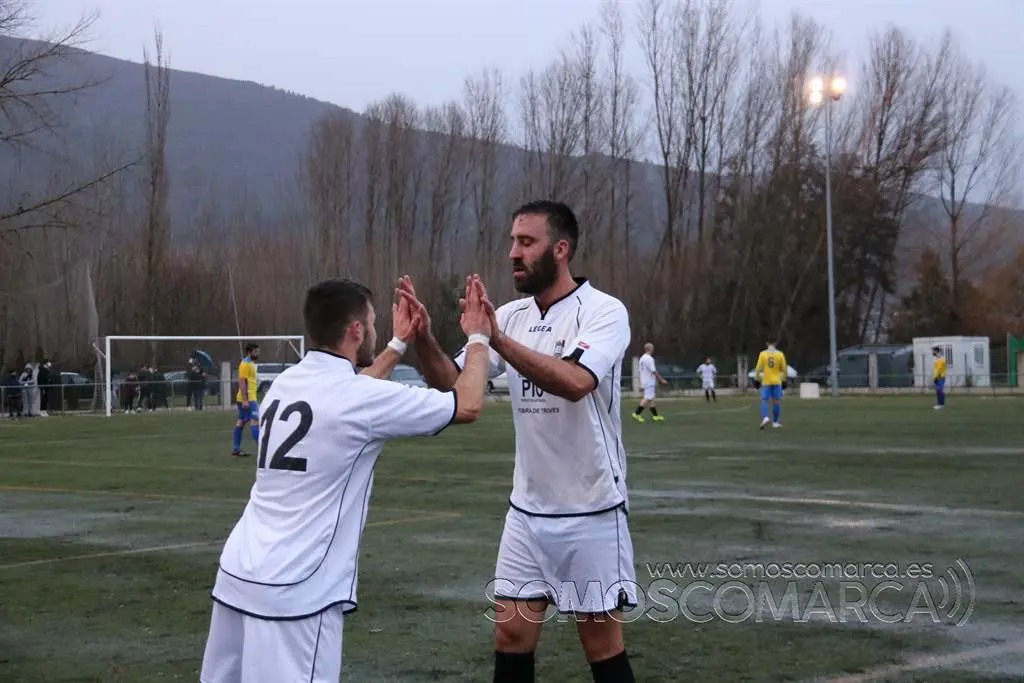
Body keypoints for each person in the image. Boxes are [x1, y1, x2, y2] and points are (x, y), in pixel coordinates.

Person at [199, 277, 493, 683]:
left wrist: (398, 344)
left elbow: (351, 395)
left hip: (237, 576)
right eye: (372, 323)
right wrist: (479, 336)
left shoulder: (284, 383)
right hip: (298, 591)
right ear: (356, 330)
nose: (374, 330)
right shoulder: (359, 398)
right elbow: (468, 404)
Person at [406, 200, 638, 683]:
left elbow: (576, 381)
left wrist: (496, 340)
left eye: (526, 242)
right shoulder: (510, 316)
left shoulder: (604, 311)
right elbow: (452, 384)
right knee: (510, 636)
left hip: (591, 510)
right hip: (527, 513)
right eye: (512, 241)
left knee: (600, 646)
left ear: (560, 249)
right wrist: (423, 339)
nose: (513, 252)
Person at [231, 344, 261, 457]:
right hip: (248, 398)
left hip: (249, 397)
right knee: (255, 421)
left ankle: (236, 449)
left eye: (258, 351)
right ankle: (262, 450)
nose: (258, 354)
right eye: (256, 352)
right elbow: (242, 382)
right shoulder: (245, 364)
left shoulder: (251, 363)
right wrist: (245, 400)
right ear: (249, 352)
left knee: (241, 422)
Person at [754, 340, 787, 429]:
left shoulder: (763, 354)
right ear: (775, 343)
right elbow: (784, 368)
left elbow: (758, 368)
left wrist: (757, 379)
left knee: (764, 400)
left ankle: (765, 417)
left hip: (766, 381)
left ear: (767, 343)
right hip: (777, 381)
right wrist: (784, 380)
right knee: (776, 401)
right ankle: (775, 422)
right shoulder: (780, 354)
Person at [632, 342, 667, 423]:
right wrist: (661, 380)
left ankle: (655, 416)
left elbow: (640, 371)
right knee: (647, 398)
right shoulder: (649, 359)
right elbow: (653, 371)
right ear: (651, 349)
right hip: (649, 381)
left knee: (650, 399)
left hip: (645, 381)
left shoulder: (642, 358)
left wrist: (641, 383)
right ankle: (636, 413)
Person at [932, 346, 947, 410]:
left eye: (933, 351)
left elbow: (939, 369)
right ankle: (940, 404)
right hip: (938, 377)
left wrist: (936, 377)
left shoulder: (941, 359)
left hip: (940, 377)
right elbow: (936, 369)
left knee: (939, 390)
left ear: (937, 351)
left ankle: (941, 404)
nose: (932, 352)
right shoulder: (937, 359)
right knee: (938, 391)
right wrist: (934, 377)